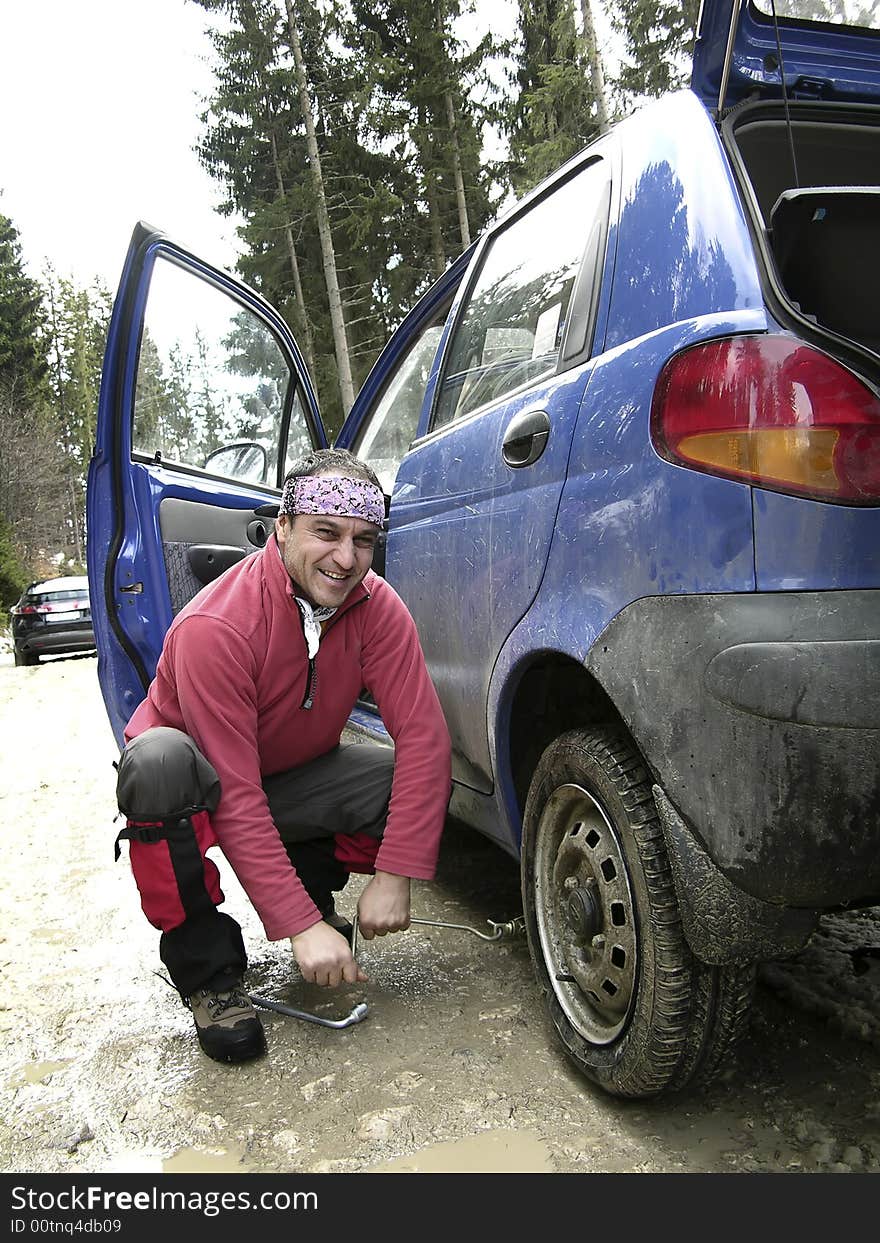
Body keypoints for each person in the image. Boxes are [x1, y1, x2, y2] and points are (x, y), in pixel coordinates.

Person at [113, 449, 452, 1064]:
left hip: (290, 778)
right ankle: (211, 977)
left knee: (402, 777)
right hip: (202, 792)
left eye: (364, 540)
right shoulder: (216, 627)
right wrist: (295, 927)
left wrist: (397, 871)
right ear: (283, 529)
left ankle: (315, 899)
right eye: (326, 532)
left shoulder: (378, 608)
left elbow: (426, 741)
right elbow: (238, 796)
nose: (346, 559)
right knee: (156, 762)